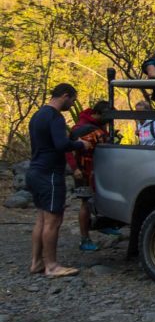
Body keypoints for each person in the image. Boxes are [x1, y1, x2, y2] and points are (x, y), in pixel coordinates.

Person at [26, 83, 91, 277]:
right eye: (72, 101)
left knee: (41, 219)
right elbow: (61, 144)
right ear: (65, 96)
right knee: (53, 220)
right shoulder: (55, 117)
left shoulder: (37, 115)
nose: (72, 105)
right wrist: (80, 144)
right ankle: (52, 266)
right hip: (50, 174)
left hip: (35, 171)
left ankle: (36, 262)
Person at [66, 101, 121, 251]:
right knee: (86, 202)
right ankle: (85, 239)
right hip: (84, 171)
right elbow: (68, 149)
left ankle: (105, 223)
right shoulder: (80, 128)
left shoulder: (100, 126)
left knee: (102, 196)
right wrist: (75, 168)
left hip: (99, 168)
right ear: (100, 114)